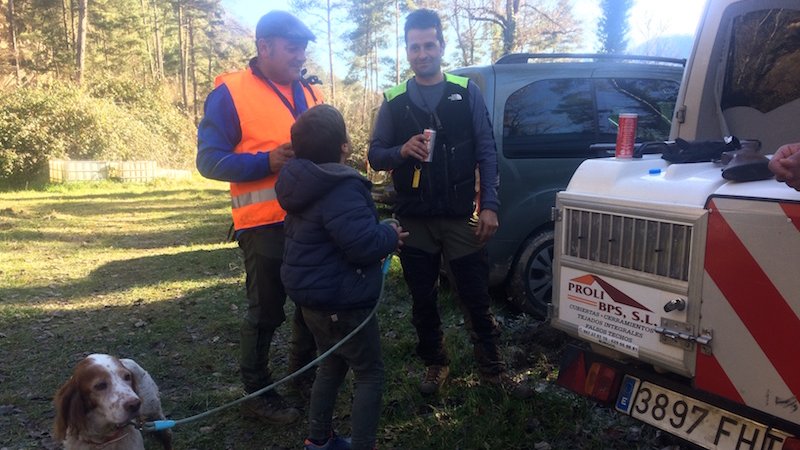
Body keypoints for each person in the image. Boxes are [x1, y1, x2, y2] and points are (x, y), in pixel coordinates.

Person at [367, 8, 530, 399]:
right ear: (406, 51)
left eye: (428, 45)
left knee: (475, 294)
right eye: (414, 47)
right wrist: (400, 151)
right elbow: (374, 155)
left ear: (441, 45)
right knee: (423, 300)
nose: (421, 53)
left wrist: (489, 205)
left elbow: (487, 152)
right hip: (415, 220)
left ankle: (492, 370)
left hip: (459, 217)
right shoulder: (394, 100)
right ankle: (435, 363)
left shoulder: (465, 91)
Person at [196, 10, 323, 425]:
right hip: (263, 224)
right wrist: (265, 161)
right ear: (264, 47)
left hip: (312, 221)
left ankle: (303, 376)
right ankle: (257, 392)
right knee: (266, 312)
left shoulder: (312, 94)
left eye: (303, 47)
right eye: (292, 47)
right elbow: (209, 161)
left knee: (312, 303)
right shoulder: (231, 93)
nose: (300, 55)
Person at [276, 104, 407, 450]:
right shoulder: (341, 186)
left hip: (312, 302)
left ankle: (318, 440)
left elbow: (334, 233)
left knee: (331, 365)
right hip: (343, 301)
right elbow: (362, 245)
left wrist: (377, 230)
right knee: (369, 373)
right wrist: (390, 234)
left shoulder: (301, 183)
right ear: (344, 147)